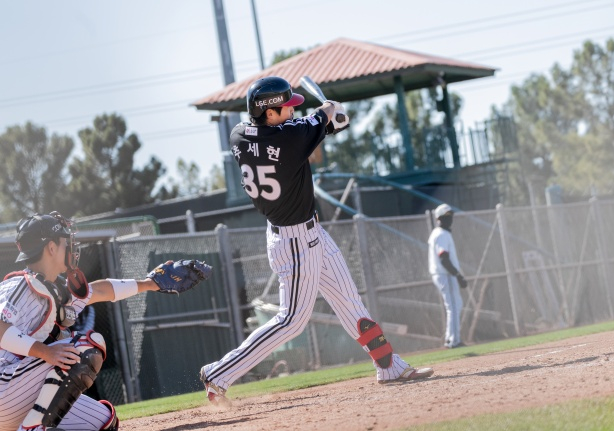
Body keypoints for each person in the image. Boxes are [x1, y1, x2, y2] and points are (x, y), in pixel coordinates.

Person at [199, 76, 433, 406]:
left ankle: (389, 365)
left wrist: (327, 121)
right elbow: (316, 124)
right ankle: (219, 372)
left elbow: (306, 129)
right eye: (285, 108)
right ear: (268, 113)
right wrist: (331, 113)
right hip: (294, 241)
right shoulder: (290, 138)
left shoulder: (241, 133)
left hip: (305, 232)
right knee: (291, 322)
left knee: (351, 303)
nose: (291, 112)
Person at [0, 212, 211, 431]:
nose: (71, 247)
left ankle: (33, 424)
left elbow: (101, 289)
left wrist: (150, 283)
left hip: (24, 393)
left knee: (104, 423)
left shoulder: (55, 288)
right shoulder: (18, 286)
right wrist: (45, 352)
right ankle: (32, 428)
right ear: (51, 248)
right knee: (85, 348)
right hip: (5, 390)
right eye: (65, 242)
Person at [428, 204, 468, 349]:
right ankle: (454, 341)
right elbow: (444, 258)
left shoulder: (442, 233)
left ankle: (450, 339)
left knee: (455, 305)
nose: (449, 218)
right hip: (445, 275)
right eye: (446, 216)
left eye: (451, 215)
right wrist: (458, 275)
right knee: (453, 306)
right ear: (439, 218)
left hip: (445, 274)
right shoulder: (441, 234)